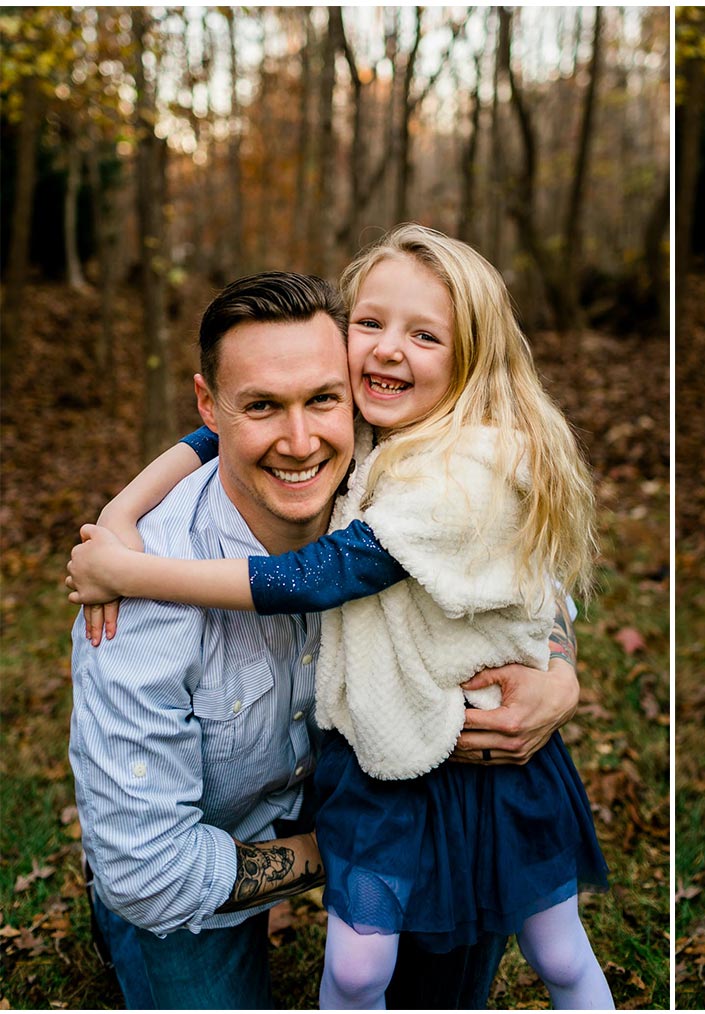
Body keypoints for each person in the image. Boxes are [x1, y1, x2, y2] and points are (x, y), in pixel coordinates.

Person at [68, 227, 613, 1009]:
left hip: (417, 790)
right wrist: (123, 530)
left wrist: (559, 672)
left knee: (454, 984)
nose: (300, 441)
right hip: (209, 851)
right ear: (213, 405)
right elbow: (151, 874)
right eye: (261, 406)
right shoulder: (139, 598)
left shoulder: (402, 457)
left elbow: (525, 578)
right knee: (170, 923)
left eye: (322, 398)